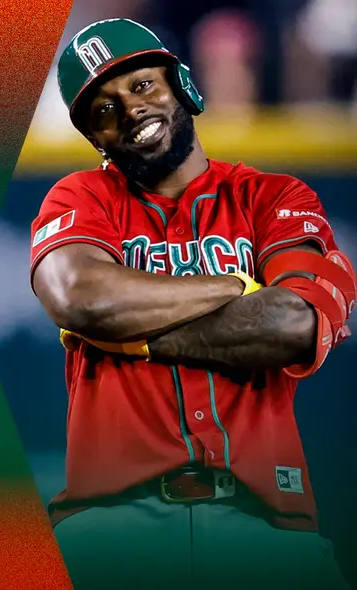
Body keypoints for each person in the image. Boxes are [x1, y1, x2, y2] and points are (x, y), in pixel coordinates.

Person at [29, 18, 356, 590]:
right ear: (94, 139)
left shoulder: (275, 196)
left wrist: (127, 328)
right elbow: (81, 299)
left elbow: (293, 324)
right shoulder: (81, 196)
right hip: (110, 531)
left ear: (182, 84)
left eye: (141, 85)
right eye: (102, 110)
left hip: (266, 530)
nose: (129, 110)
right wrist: (236, 286)